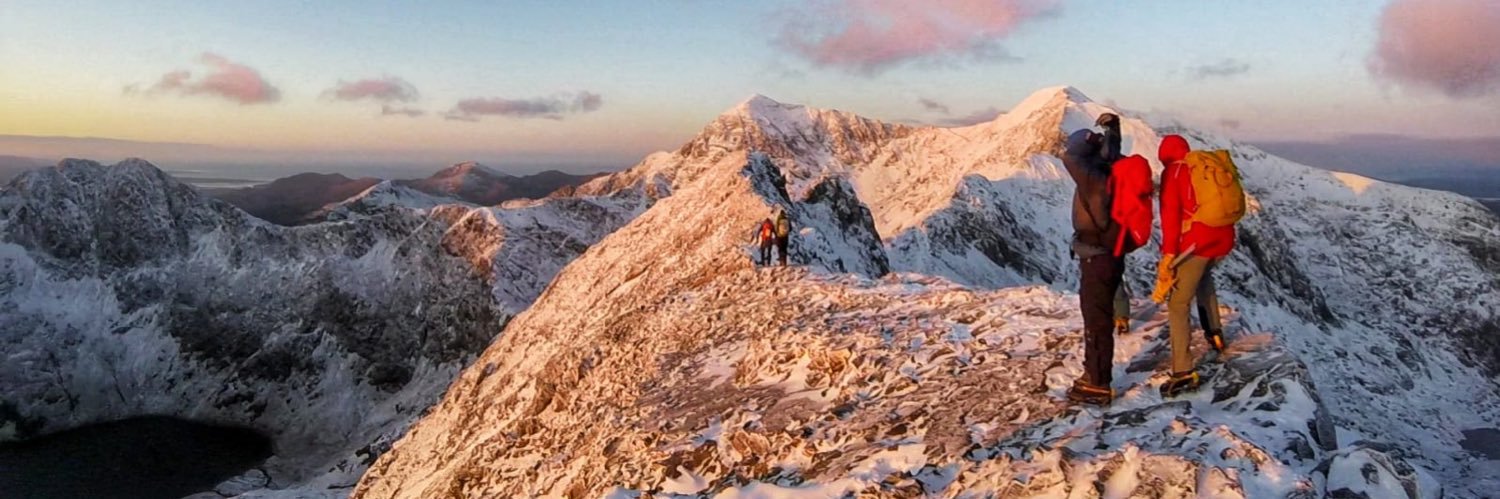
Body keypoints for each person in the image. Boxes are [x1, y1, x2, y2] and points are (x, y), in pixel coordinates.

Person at [1155, 134, 1236, 397]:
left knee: (1178, 303)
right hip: (1222, 238)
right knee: (1204, 279)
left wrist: (1168, 254)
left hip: (1195, 242)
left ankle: (1182, 369)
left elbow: (1170, 216)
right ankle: (1215, 333)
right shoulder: (1202, 166)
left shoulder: (1174, 173)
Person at [1061, 113, 1128, 405]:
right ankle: (1097, 375)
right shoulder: (1110, 167)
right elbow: (1109, 152)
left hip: (1097, 256)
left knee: (1096, 319)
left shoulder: (1092, 177)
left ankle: (1097, 382)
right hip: (1111, 253)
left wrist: (1087, 139)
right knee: (1100, 316)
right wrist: (1111, 131)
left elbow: (1070, 157)